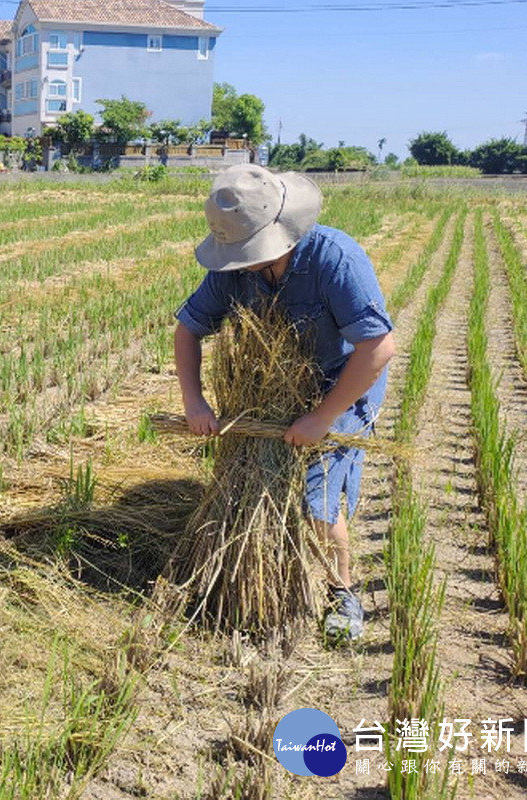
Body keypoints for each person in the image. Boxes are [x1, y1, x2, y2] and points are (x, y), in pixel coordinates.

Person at [173, 164, 396, 642]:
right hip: (270, 392)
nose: (245, 263)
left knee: (318, 495)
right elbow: (188, 329)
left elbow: (376, 350)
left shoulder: (334, 258)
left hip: (342, 380)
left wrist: (322, 417)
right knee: (256, 478)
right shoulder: (232, 270)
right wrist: (195, 401)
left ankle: (342, 591)